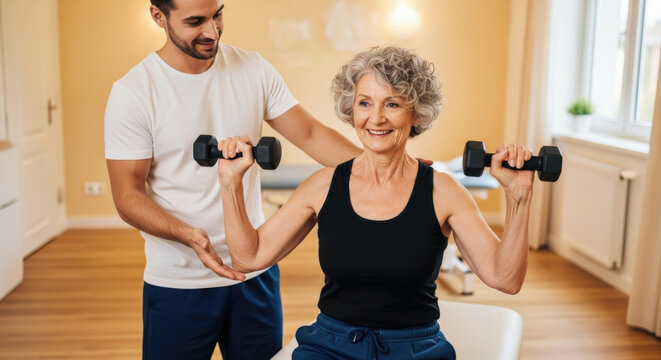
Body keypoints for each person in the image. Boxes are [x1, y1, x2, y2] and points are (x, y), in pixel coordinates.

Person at [216, 46, 534, 360]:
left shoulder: (443, 192)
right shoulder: (322, 186)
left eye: (392, 104)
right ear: (351, 109)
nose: (376, 118)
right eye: (364, 103)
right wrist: (231, 183)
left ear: (417, 113)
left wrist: (518, 197)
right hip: (330, 345)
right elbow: (249, 257)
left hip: (415, 348)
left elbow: (504, 278)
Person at [104, 0, 364, 359]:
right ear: (158, 16)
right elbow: (127, 195)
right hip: (180, 281)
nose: (211, 31)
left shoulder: (252, 68)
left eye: (217, 15)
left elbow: (308, 134)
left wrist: (390, 169)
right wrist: (189, 235)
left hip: (254, 271)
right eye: (195, 21)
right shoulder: (134, 92)